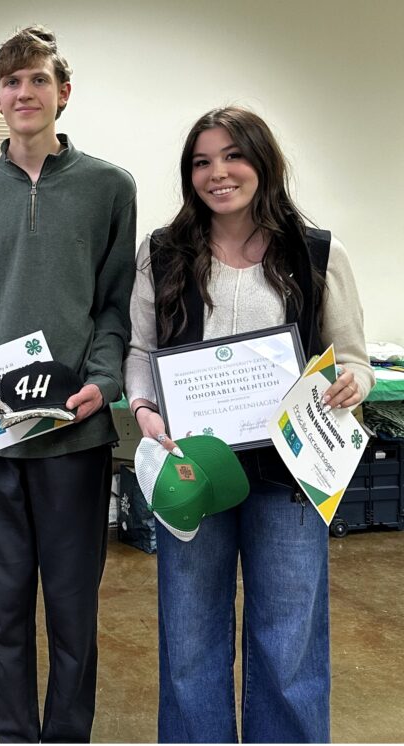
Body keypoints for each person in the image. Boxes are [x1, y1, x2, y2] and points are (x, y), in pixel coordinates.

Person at [123, 106, 374, 743]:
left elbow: (352, 356)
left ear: (262, 162)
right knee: (189, 641)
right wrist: (145, 406)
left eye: (233, 156)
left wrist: (354, 383)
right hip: (192, 471)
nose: (219, 173)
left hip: (290, 476)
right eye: (202, 162)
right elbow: (141, 351)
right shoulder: (162, 253)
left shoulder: (317, 253)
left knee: (289, 645)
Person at [0, 26, 137, 743]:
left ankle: (68, 734)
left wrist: (104, 380)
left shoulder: (110, 187)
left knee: (73, 610)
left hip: (76, 431)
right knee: (5, 607)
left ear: (62, 93)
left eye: (37, 80)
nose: (23, 92)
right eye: (10, 83)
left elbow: (113, 305)